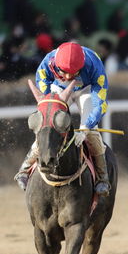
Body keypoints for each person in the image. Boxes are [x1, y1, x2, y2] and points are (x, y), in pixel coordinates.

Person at [14, 41, 111, 196]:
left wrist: (86, 127)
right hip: (59, 89)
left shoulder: (94, 64)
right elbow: (43, 84)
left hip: (87, 90)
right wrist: (50, 105)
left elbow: (100, 102)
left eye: (73, 73)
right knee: (48, 126)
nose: (67, 76)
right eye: (64, 72)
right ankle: (25, 168)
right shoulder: (48, 60)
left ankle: (102, 177)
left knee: (92, 130)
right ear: (56, 64)